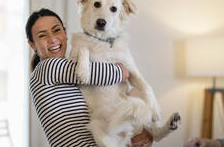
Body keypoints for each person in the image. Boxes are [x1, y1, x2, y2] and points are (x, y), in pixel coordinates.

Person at [26, 8, 153, 147]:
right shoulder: (49, 67)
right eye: (42, 35)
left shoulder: (63, 76)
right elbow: (120, 73)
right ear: (32, 45)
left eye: (56, 30)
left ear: (65, 32)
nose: (52, 39)